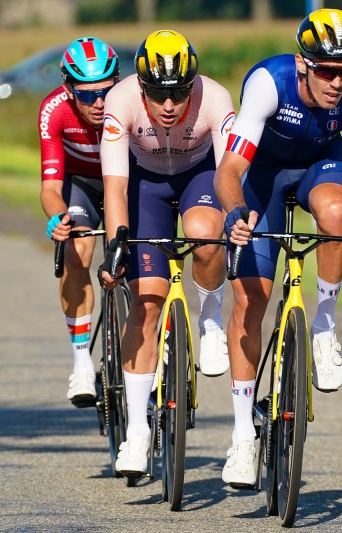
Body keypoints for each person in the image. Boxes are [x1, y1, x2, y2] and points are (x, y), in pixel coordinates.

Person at [213, 9, 342, 487]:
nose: (336, 82)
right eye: (326, 70)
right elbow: (230, 169)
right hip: (261, 174)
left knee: (336, 214)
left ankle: (324, 326)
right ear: (302, 62)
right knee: (251, 300)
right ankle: (244, 437)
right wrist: (233, 212)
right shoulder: (270, 82)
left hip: (319, 166)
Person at [99, 30, 236, 475]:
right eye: (159, 94)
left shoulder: (215, 98)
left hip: (200, 176)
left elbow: (230, 170)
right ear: (142, 87)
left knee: (202, 231)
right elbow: (115, 185)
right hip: (146, 186)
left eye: (179, 92)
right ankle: (137, 433)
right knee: (148, 302)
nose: (170, 104)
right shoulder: (120, 102)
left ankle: (210, 315)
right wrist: (118, 241)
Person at [40, 37, 120, 405]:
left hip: (125, 179)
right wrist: (58, 218)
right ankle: (82, 363)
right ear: (68, 90)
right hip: (81, 183)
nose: (100, 103)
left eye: (107, 91)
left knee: (141, 254)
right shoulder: (54, 110)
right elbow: (50, 186)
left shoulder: (132, 101)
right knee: (78, 253)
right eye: (88, 96)